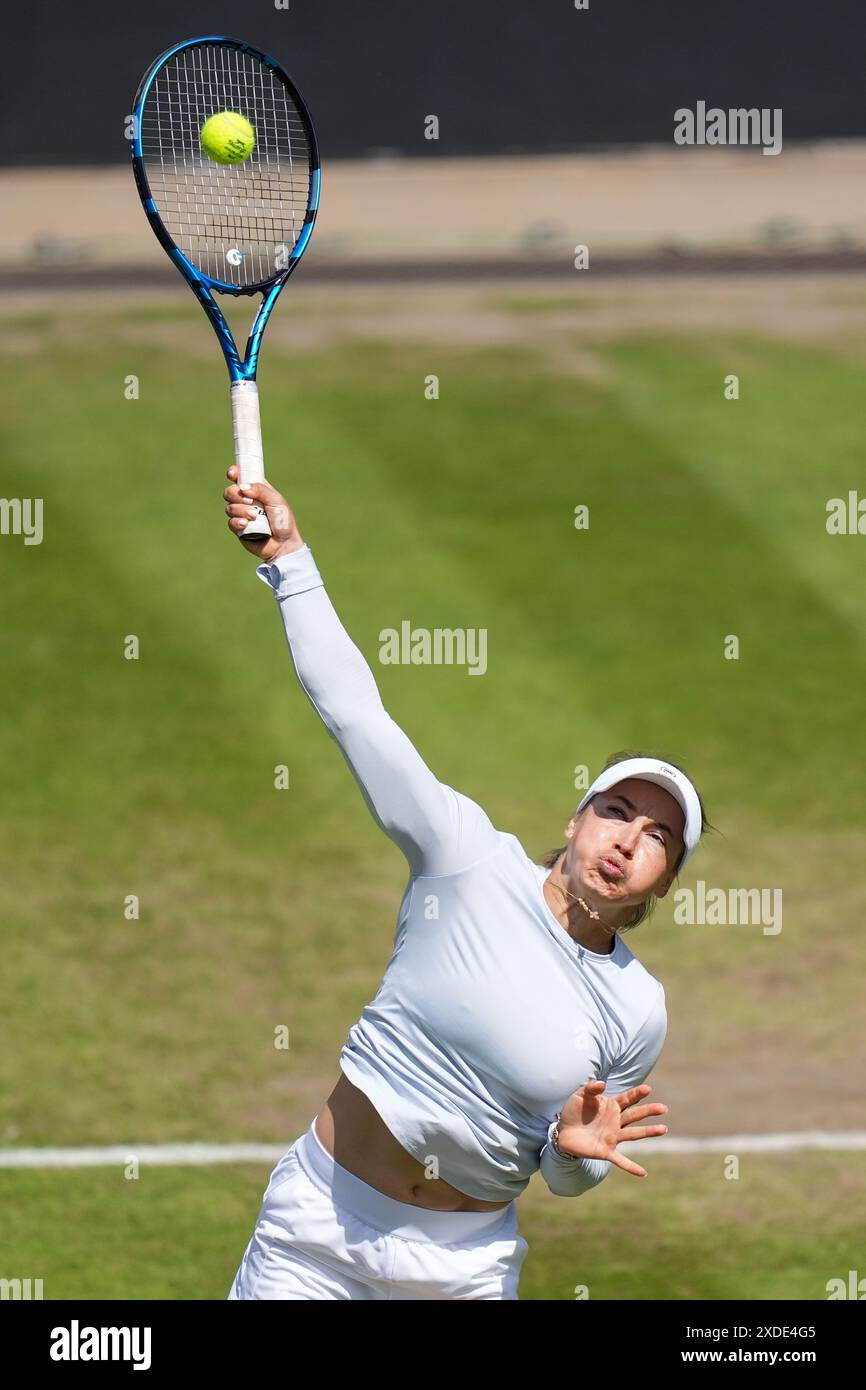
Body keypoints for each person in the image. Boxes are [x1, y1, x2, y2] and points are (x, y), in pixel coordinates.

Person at [223, 468, 711, 1301]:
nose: (628, 840)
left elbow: (569, 1174)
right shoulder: (464, 858)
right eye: (617, 810)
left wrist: (569, 1153)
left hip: (462, 1268)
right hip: (318, 1233)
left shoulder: (637, 1010)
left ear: (662, 886)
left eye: (658, 836)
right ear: (574, 820)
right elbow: (357, 714)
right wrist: (291, 563)